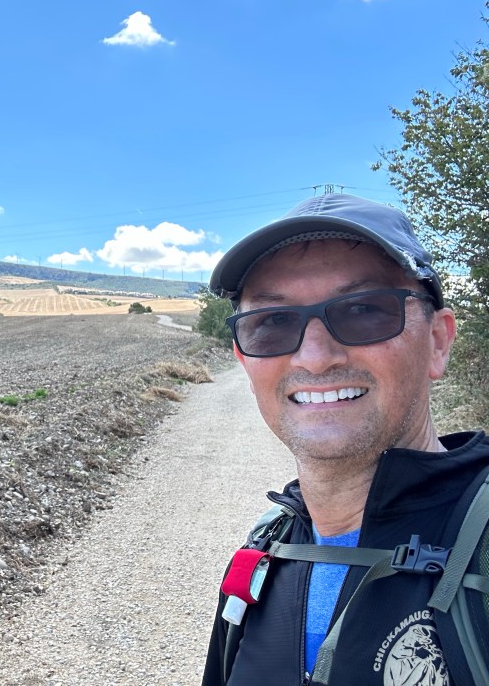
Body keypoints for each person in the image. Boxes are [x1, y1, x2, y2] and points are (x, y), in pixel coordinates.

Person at [200, 192, 489, 686]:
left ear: (437, 341)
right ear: (245, 359)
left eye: (363, 310)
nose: (315, 358)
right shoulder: (263, 556)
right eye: (273, 322)